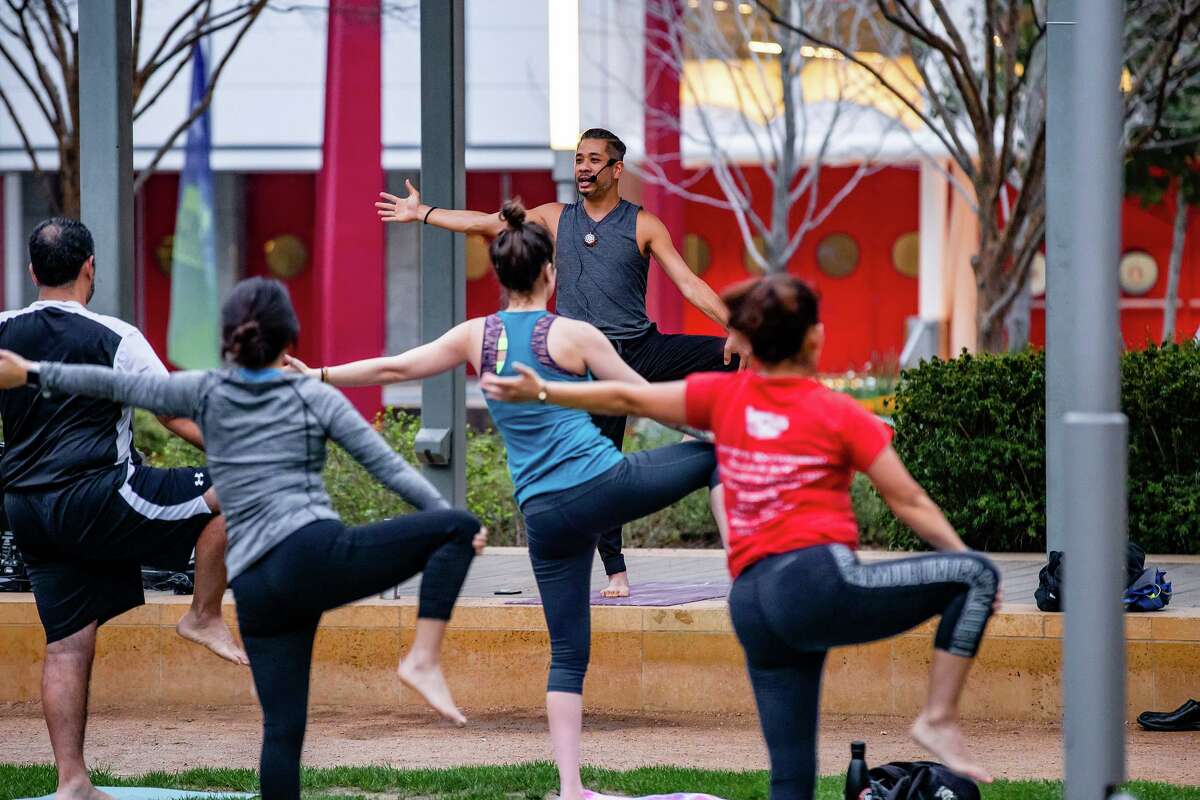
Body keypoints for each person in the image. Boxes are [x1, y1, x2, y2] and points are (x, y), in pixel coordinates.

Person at [482, 273, 1003, 799]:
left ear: (748, 343)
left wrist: (543, 390)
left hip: (754, 605)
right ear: (815, 340)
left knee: (791, 779)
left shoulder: (721, 397)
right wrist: (960, 554)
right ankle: (938, 717)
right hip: (813, 582)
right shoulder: (837, 412)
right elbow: (909, 500)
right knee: (975, 575)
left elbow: (626, 398)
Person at [286, 200, 723, 800]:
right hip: (599, 487)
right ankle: (750, 564)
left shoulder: (476, 336)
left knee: (568, 651)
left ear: (502, 275)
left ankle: (570, 787)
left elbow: (394, 368)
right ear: (551, 274)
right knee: (718, 458)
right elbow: (643, 402)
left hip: (542, 517)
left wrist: (319, 375)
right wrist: (714, 427)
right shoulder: (573, 333)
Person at [0, 277, 486, 800]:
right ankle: (422, 659)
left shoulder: (204, 389)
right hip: (312, 557)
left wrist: (29, 370)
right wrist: (454, 519)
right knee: (456, 528)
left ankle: (212, 621)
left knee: (282, 733)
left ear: (229, 340)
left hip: (256, 592)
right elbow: (388, 468)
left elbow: (106, 384)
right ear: (290, 341)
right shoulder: (308, 394)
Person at [377, 127, 748, 598]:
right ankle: (616, 571)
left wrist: (735, 325)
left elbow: (690, 284)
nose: (584, 168)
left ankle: (699, 425)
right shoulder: (554, 218)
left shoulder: (643, 224)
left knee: (727, 356)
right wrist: (423, 212)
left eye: (594, 160)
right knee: (604, 467)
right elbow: (487, 223)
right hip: (587, 362)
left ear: (616, 169)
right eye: (578, 160)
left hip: (641, 347)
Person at [0, 218, 244, 800]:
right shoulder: (116, 337)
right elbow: (173, 413)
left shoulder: (3, 330)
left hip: (29, 511)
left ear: (34, 272)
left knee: (66, 642)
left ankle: (72, 783)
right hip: (98, 496)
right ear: (90, 267)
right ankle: (203, 614)